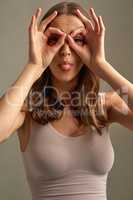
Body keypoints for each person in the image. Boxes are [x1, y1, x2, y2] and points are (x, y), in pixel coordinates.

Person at [0, 1, 133, 200]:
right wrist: (35, 66)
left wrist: (101, 65)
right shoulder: (27, 109)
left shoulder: (106, 105)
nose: (66, 50)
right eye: (55, 39)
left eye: (77, 39)